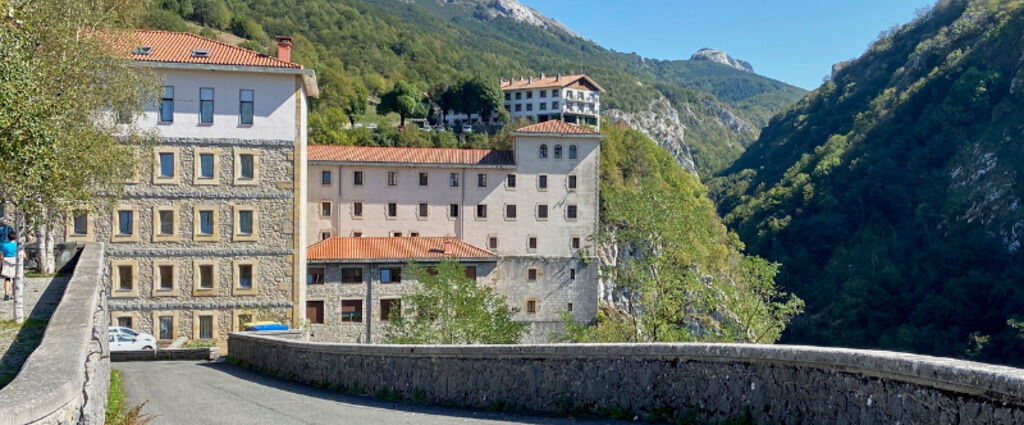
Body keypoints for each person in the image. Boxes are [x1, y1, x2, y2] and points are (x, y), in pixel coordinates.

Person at [2, 232, 17, 301]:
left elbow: (2, 256)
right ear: (16, 238)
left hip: (7, 261)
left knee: (7, 278)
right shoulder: (17, 245)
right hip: (15, 261)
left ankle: (6, 294)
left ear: (8, 238)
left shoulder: (5, 245)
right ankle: (14, 294)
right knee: (14, 278)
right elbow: (24, 255)